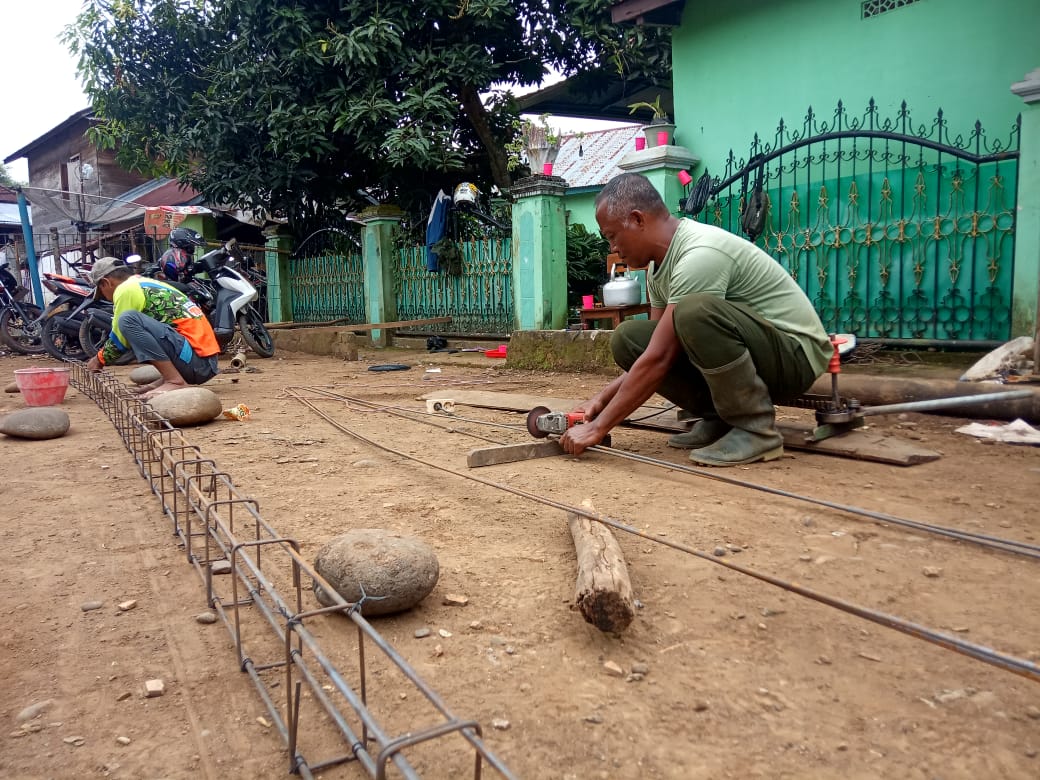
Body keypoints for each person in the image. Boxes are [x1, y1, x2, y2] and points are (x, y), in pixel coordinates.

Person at [560, 172, 832, 467]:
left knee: (692, 312)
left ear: (638, 220)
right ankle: (721, 418)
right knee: (629, 339)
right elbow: (654, 351)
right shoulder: (659, 268)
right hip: (761, 357)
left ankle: (755, 429)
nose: (612, 248)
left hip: (795, 358)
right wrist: (600, 401)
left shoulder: (699, 254)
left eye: (612, 236)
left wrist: (598, 428)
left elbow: (659, 358)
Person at [84, 257, 221, 398]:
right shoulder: (145, 283)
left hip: (198, 363)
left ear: (106, 283)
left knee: (127, 319)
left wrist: (98, 360)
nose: (106, 298)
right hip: (205, 362)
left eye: (101, 292)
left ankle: (174, 381)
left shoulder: (126, 289)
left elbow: (120, 339)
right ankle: (168, 379)